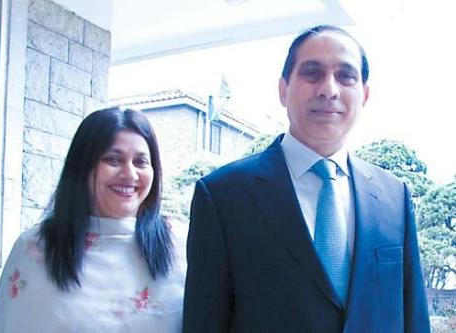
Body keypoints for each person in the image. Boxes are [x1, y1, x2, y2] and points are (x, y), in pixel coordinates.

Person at [183, 25, 430, 332]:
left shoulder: (395, 195)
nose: (329, 89)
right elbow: (203, 322)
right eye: (312, 73)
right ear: (283, 89)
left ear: (364, 94)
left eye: (346, 76)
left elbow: (414, 318)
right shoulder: (222, 196)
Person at [0, 108, 187, 332]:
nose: (130, 173)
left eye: (141, 162)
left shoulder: (182, 246)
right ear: (82, 167)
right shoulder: (35, 249)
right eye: (114, 159)